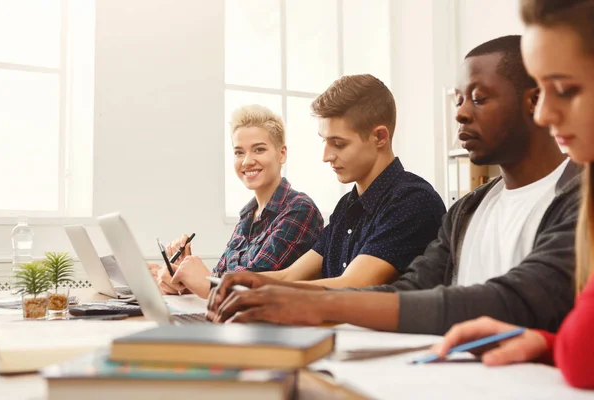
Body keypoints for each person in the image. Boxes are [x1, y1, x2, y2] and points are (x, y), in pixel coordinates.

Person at [206, 36, 582, 337]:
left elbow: (513, 298)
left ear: (536, 103)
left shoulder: (579, 200)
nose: (460, 113)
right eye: (459, 99)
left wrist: (313, 302)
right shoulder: (467, 210)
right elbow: (412, 290)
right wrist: (261, 290)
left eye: (479, 99)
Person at [432, 0, 594, 390]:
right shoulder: (468, 209)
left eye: (566, 90)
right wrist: (544, 342)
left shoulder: (570, 195)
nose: (542, 115)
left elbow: (582, 351)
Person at [218, 74, 445, 291]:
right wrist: (224, 285)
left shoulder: (413, 201)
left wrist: (247, 291)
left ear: (380, 137)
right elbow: (289, 275)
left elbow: (352, 285)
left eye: (338, 143)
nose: (326, 156)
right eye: (325, 141)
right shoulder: (347, 206)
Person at [149, 105, 323, 298]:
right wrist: (181, 276)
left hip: (269, 322)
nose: (247, 161)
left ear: (282, 154)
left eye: (259, 149)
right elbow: (222, 276)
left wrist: (198, 278)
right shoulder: (248, 215)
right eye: (239, 152)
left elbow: (250, 284)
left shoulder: (300, 209)